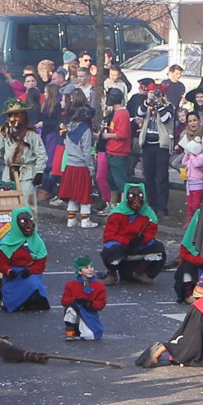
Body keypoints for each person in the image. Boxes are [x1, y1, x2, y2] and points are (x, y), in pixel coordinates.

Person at [0, 97, 47, 212]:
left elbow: (41, 154)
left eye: (16, 115)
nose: (13, 119)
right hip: (8, 175)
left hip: (26, 175)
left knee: (27, 205)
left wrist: (39, 172)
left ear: (23, 116)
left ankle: (28, 229)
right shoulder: (5, 134)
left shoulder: (31, 135)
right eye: (10, 115)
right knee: (7, 204)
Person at [100, 183, 166, 286]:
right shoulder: (117, 214)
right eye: (132, 196)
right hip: (121, 246)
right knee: (110, 249)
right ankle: (112, 275)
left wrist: (143, 238)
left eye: (139, 196)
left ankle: (139, 272)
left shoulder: (148, 214)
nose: (136, 200)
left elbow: (151, 232)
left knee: (158, 247)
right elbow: (109, 236)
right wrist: (127, 241)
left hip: (138, 246)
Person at [0, 207, 49, 312]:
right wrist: (9, 271)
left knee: (33, 284)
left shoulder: (37, 242)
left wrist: (30, 271)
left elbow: (41, 263)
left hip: (31, 271)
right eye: (23, 222)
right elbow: (2, 263)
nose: (28, 225)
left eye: (30, 220)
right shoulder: (7, 243)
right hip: (14, 273)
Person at [136, 83, 175, 217]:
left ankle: (162, 207)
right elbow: (139, 113)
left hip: (161, 146)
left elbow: (165, 119)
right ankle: (151, 205)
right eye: (154, 93)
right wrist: (148, 101)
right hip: (147, 145)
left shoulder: (169, 107)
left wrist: (158, 105)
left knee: (162, 177)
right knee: (149, 176)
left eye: (158, 94)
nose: (156, 97)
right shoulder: (148, 106)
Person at [58, 99, 98, 229]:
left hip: (70, 165)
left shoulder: (69, 128)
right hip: (82, 166)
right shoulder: (85, 130)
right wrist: (91, 169)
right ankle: (85, 220)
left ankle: (72, 219)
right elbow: (87, 152)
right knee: (84, 193)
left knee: (72, 194)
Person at [61, 255, 107, 341]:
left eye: (91, 266)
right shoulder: (71, 285)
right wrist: (75, 299)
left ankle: (81, 329)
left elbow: (101, 304)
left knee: (89, 336)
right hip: (76, 310)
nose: (90, 269)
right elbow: (64, 301)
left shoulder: (99, 286)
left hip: (89, 314)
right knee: (70, 309)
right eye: (86, 267)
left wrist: (89, 303)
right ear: (79, 271)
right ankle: (70, 330)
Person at [101, 87, 131, 205]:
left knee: (121, 182)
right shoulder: (117, 113)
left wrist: (107, 135)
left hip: (119, 152)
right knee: (112, 181)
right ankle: (113, 204)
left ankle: (124, 205)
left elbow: (123, 134)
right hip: (112, 151)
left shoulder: (123, 114)